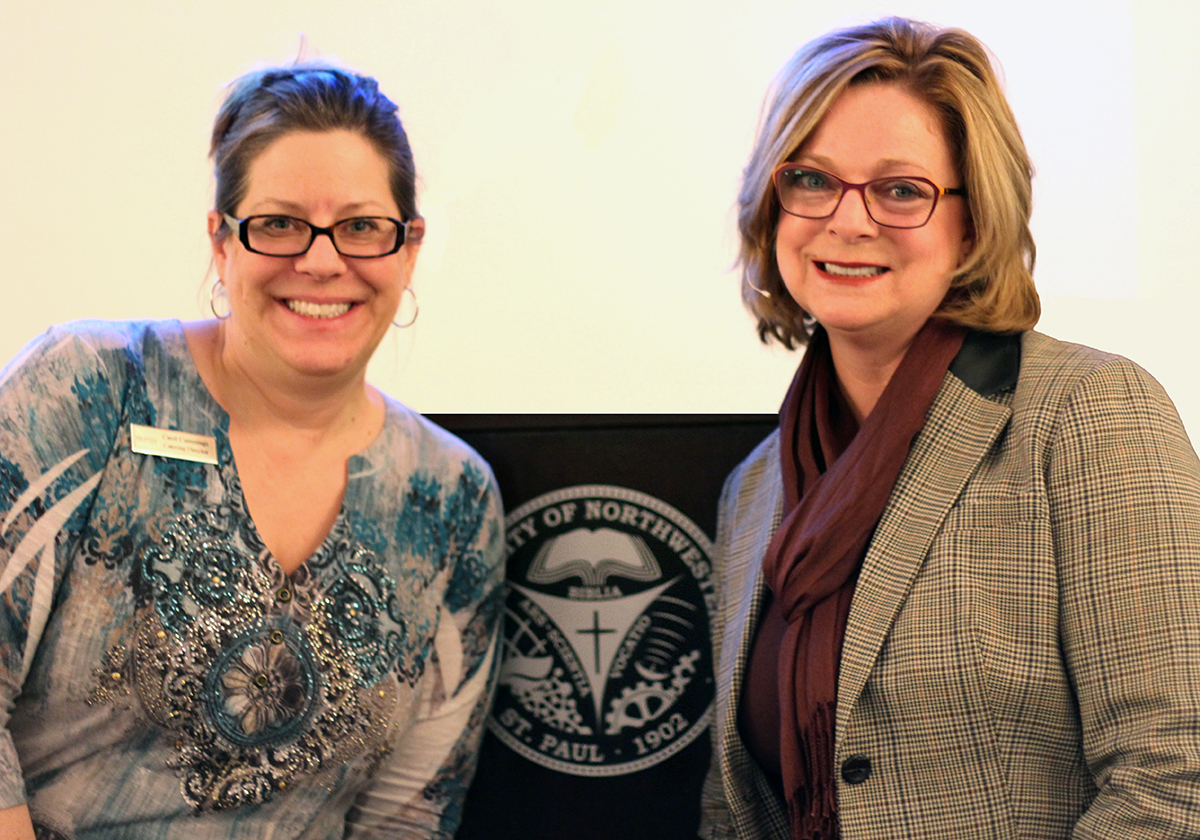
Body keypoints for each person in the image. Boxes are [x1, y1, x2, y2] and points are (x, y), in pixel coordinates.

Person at [700, 17, 1200, 840]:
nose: (847, 221)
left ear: (974, 222)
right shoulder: (754, 490)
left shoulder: (1091, 414)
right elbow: (736, 811)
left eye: (901, 190)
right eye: (812, 179)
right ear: (772, 205)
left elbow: (1175, 781)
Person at [0, 63, 505, 839]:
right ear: (221, 241)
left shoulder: (450, 497)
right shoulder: (90, 389)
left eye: (363, 226)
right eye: (279, 222)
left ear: (408, 248)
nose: (323, 261)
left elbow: (410, 814)